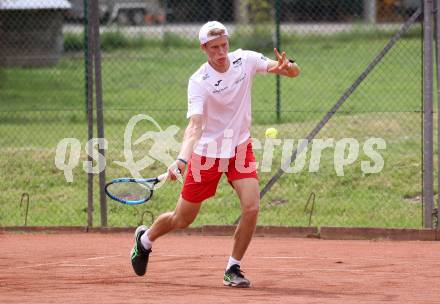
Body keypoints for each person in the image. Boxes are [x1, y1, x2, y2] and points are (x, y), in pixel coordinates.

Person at [130, 21, 300, 288]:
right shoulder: (199, 81)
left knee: (252, 206)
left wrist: (287, 67)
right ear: (204, 48)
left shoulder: (246, 60)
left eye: (224, 45)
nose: (221, 52)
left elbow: (293, 72)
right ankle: (145, 240)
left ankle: (233, 268)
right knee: (182, 219)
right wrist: (182, 160)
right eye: (214, 48)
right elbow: (195, 126)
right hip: (206, 154)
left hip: (240, 148)